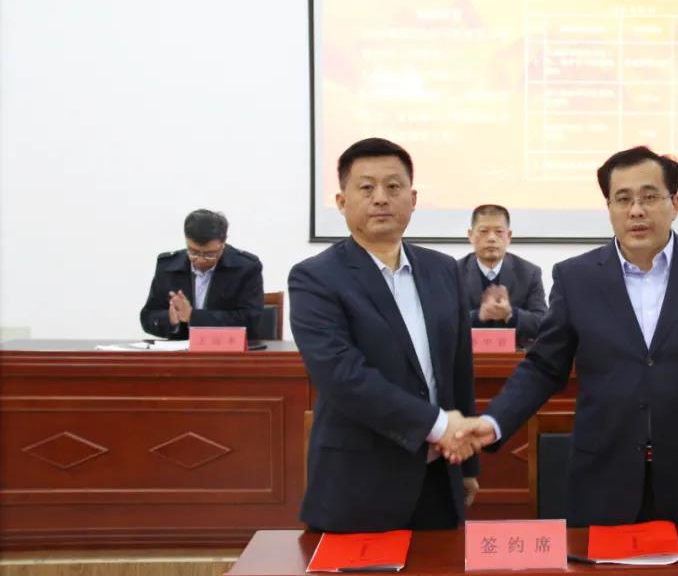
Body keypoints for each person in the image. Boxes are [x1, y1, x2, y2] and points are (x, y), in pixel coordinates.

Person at [457, 146, 678, 527]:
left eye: (649, 197)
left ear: (675, 203)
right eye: (623, 199)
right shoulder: (576, 277)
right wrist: (494, 421)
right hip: (603, 476)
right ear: (609, 208)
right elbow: (543, 367)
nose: (636, 210)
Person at [289, 137, 479, 533]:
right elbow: (343, 376)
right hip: (359, 482)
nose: (380, 198)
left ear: (412, 198)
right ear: (341, 201)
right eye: (366, 187)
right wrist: (438, 425)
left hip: (438, 477)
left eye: (393, 187)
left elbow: (459, 370)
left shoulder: (444, 270)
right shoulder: (315, 278)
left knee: (438, 574)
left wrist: (467, 465)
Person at [140, 209, 263, 339]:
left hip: (227, 348)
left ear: (223, 243)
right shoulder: (167, 267)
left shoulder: (246, 268)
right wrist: (169, 319)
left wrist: (193, 317)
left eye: (210, 254)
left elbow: (250, 320)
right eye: (193, 252)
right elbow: (148, 317)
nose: (200, 259)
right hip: (181, 349)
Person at [458, 204, 548, 348]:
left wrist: (511, 314)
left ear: (509, 236)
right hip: (466, 357)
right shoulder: (454, 272)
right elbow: (442, 321)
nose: (491, 238)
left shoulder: (529, 273)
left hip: (516, 358)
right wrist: (478, 316)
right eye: (484, 231)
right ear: (470, 235)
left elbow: (543, 323)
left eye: (499, 231)